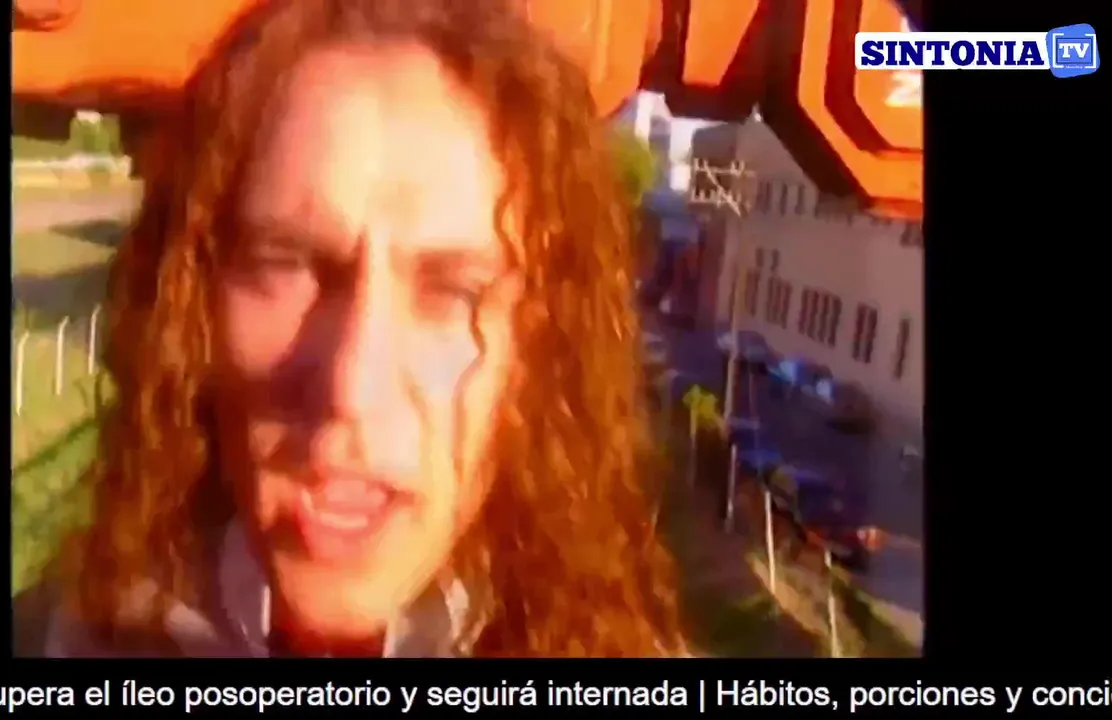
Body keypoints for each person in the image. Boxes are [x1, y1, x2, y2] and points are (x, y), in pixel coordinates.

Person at [37, 0, 685, 658]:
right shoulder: (92, 638)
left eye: (454, 292)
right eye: (286, 265)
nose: (352, 387)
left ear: (537, 353)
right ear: (195, 305)